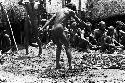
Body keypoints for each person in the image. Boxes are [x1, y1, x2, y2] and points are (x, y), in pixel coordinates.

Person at [41, 3, 87, 69]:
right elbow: (78, 20)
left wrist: (42, 28)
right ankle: (70, 65)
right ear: (72, 8)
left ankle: (57, 65)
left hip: (53, 29)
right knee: (67, 46)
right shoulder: (70, 11)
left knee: (59, 46)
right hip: (60, 28)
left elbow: (50, 20)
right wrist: (85, 25)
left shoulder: (58, 11)